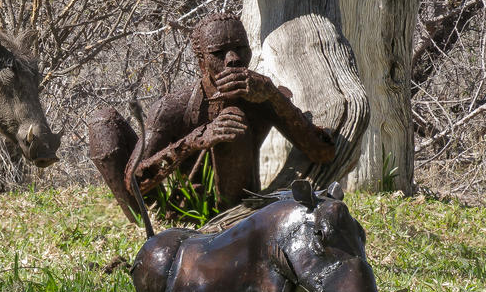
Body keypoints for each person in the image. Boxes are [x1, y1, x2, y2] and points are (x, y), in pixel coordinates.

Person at [87, 13, 336, 223]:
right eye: (219, 53)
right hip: (177, 213)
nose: (233, 59)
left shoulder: (261, 95)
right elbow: (134, 180)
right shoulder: (173, 107)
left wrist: (273, 96)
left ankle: (232, 219)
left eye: (240, 48)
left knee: (232, 119)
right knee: (103, 121)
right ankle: (141, 224)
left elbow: (321, 153)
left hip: (239, 214)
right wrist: (195, 140)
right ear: (202, 63)